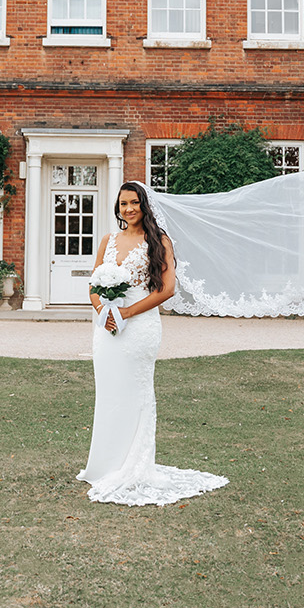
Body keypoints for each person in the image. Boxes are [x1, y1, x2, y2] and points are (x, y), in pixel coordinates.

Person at [76, 181, 229, 506]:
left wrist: (128, 311)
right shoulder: (108, 240)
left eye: (133, 203)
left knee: (136, 392)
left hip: (140, 326)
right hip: (107, 327)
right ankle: (106, 463)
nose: (128, 209)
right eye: (122, 204)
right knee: (109, 392)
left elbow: (168, 289)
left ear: (144, 205)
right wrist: (104, 310)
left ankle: (135, 465)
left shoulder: (159, 241)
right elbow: (93, 284)